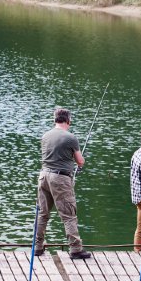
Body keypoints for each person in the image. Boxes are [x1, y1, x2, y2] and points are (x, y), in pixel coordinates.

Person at [35, 107, 91, 260]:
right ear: (68, 120)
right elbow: (80, 161)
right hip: (60, 179)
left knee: (42, 214)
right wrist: (81, 163)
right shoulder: (70, 137)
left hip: (43, 177)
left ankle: (37, 247)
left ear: (55, 119)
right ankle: (75, 249)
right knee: (69, 215)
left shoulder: (45, 136)